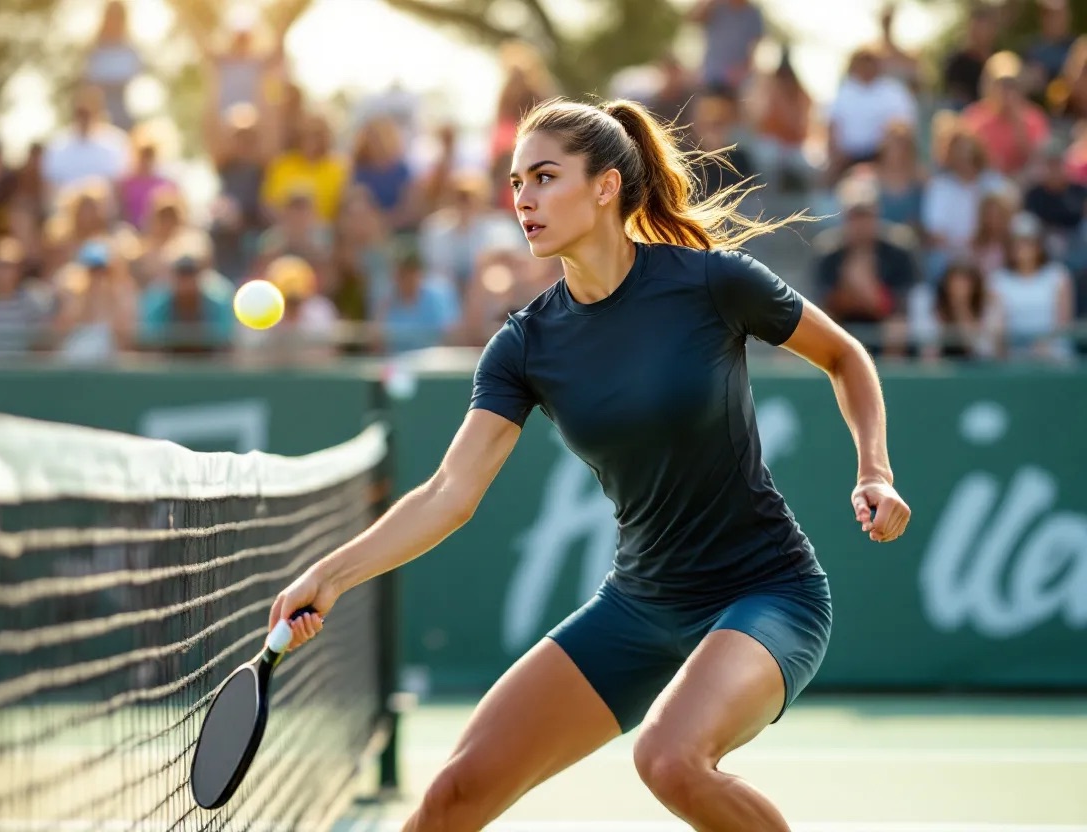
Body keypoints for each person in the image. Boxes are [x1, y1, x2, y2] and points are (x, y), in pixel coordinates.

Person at [270, 97, 912, 831]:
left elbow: (844, 355)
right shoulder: (524, 346)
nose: (524, 200)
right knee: (453, 796)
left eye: (544, 177)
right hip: (641, 603)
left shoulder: (711, 284)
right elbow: (449, 491)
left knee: (670, 759)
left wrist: (876, 471)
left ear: (606, 185)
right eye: (516, 183)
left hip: (767, 594)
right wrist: (329, 576)